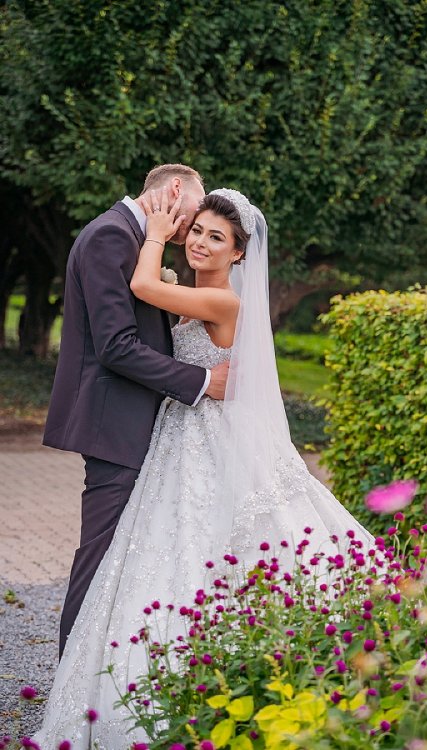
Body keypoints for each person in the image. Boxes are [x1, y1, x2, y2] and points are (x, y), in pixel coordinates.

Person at [34, 188, 373, 748]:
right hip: (181, 429)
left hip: (205, 433)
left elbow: (143, 289)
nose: (199, 241)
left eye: (216, 237)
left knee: (208, 545)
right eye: (198, 230)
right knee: (167, 546)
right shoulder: (192, 290)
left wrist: (157, 234)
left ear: (240, 254)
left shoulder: (224, 302)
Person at [43, 164, 230, 659]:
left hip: (139, 421)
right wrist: (204, 381)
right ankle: (72, 675)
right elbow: (116, 347)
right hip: (114, 424)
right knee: (99, 554)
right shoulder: (112, 235)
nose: (191, 231)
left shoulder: (130, 235)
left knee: (124, 553)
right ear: (173, 191)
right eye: (194, 218)